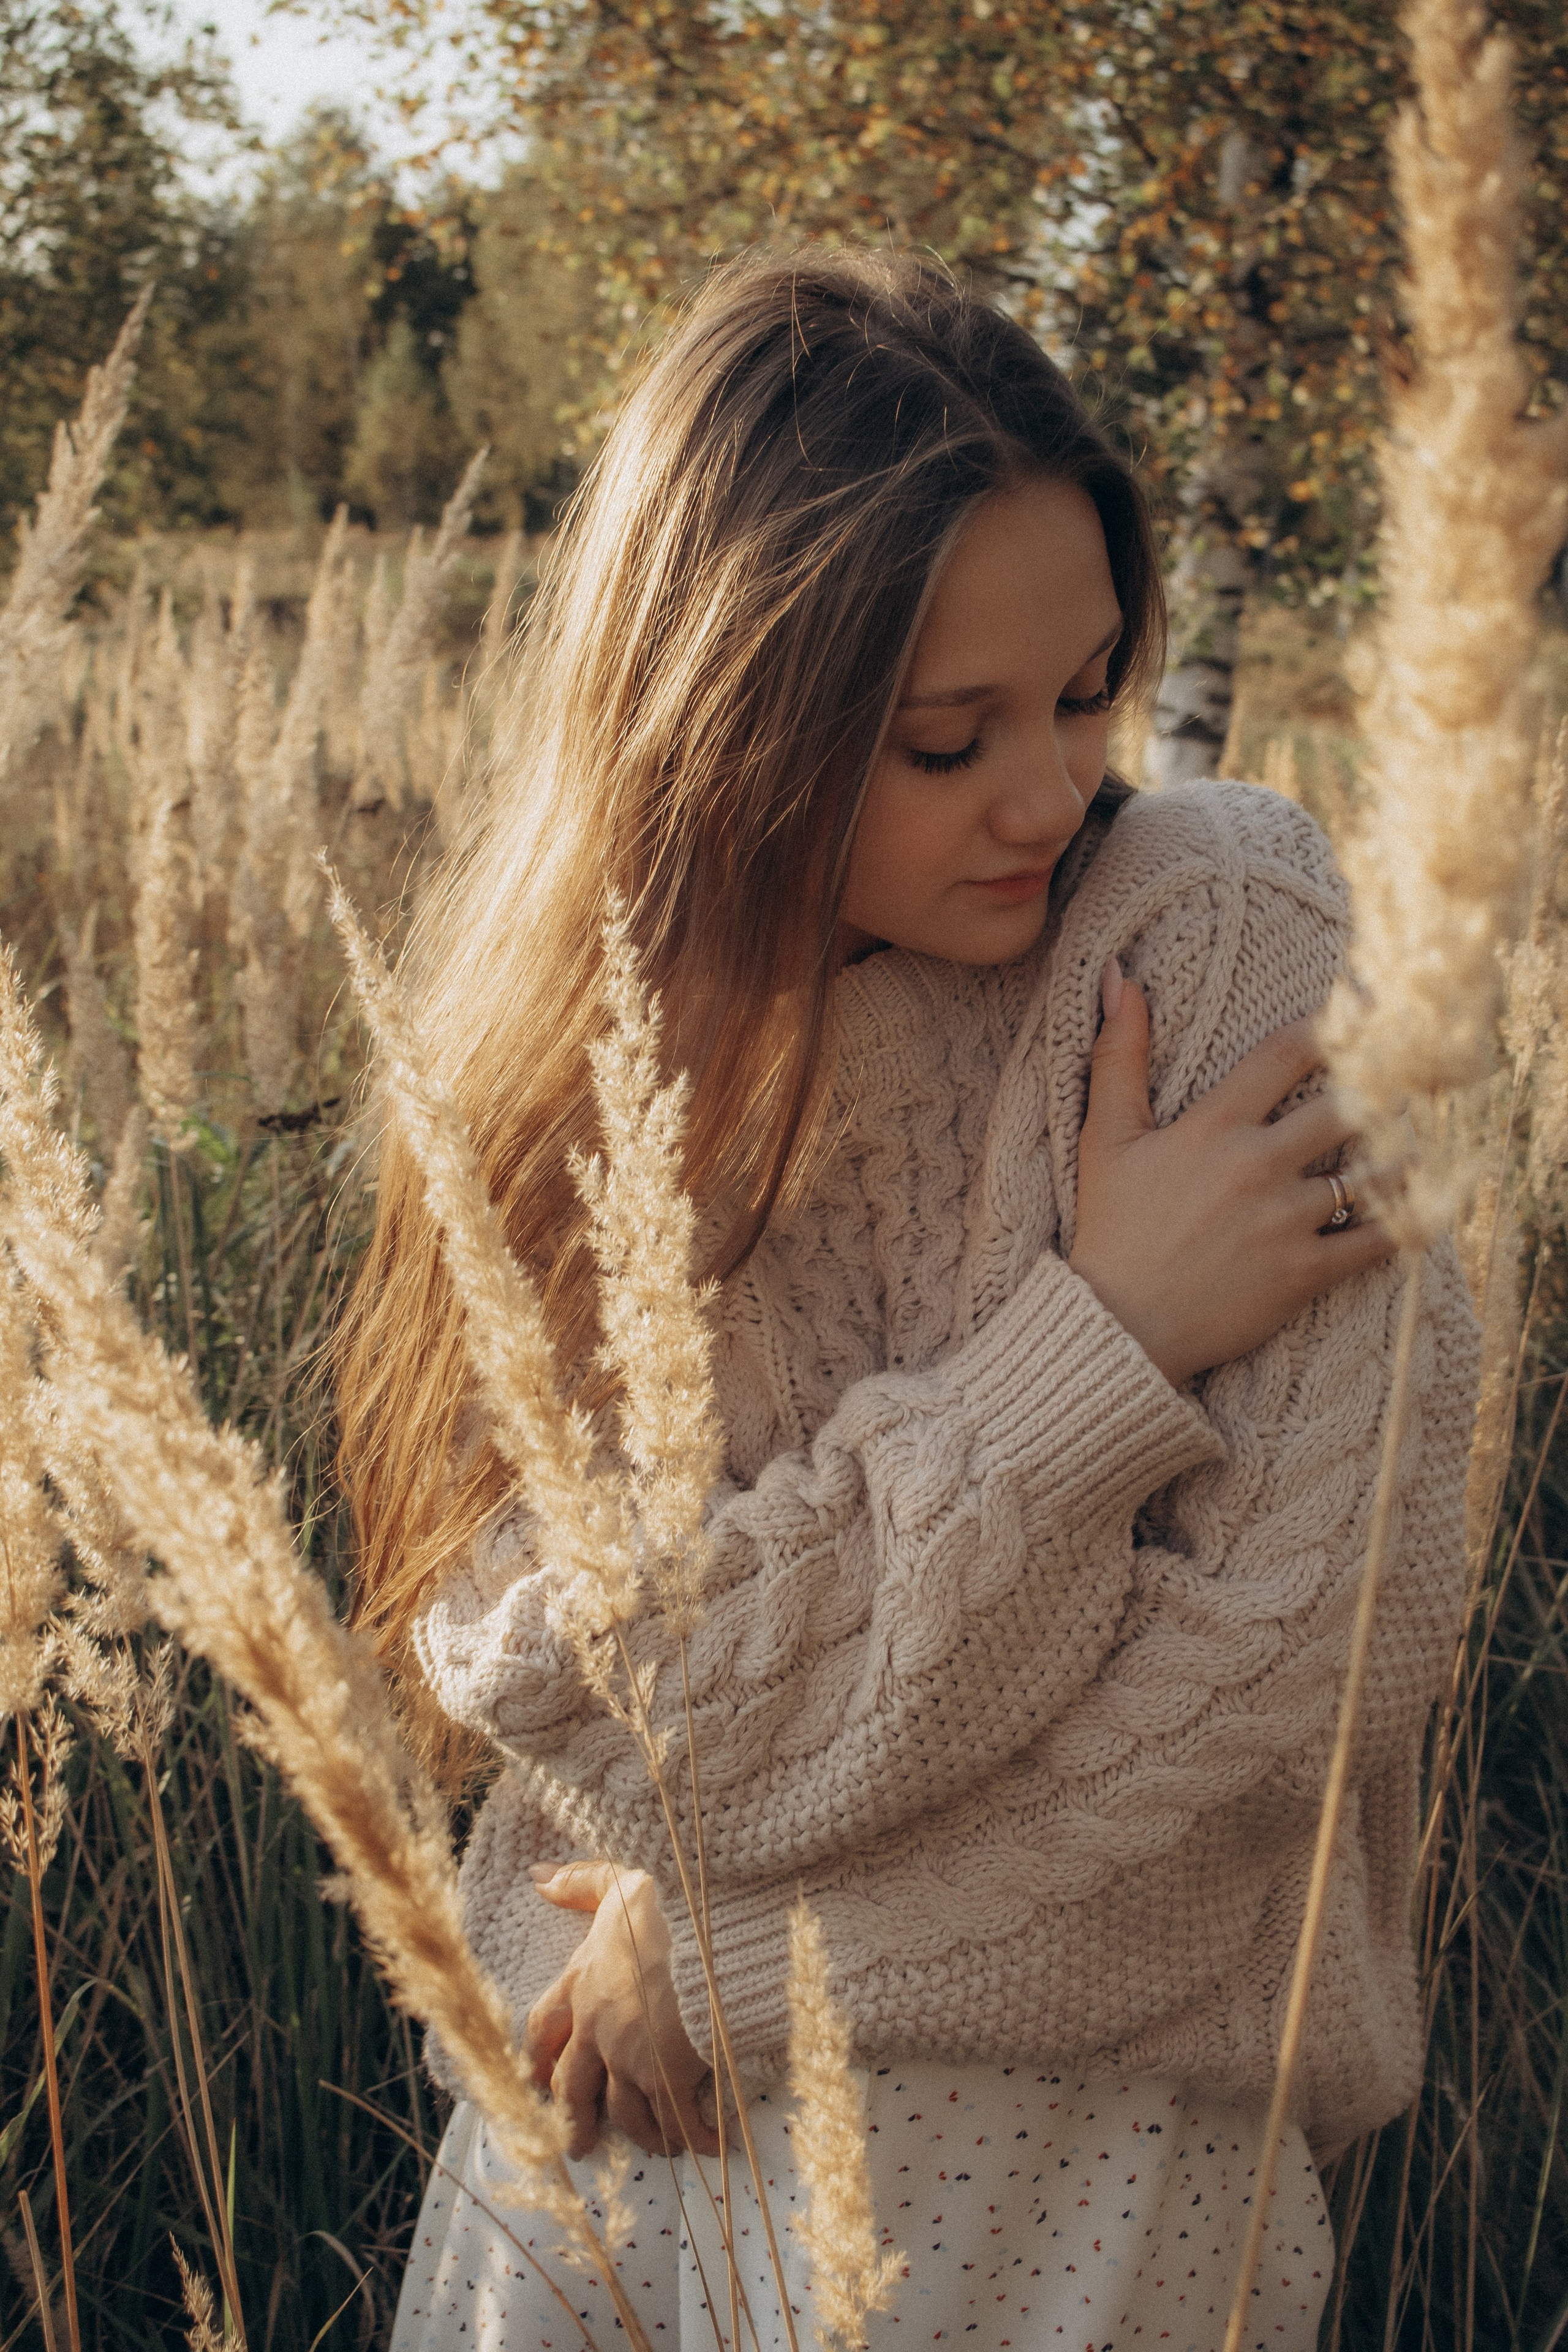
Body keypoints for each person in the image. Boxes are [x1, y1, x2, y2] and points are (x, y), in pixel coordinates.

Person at [336, 247, 1479, 2352]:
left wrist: (741, 1956)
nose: (1047, 795)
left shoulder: (1213, 927)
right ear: (725, 729)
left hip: (1069, 2195)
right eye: (947, 740)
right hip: (593, 2185)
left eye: (1085, 692)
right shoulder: (566, 1089)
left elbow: (1278, 1686)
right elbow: (598, 1708)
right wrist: (1096, 1355)